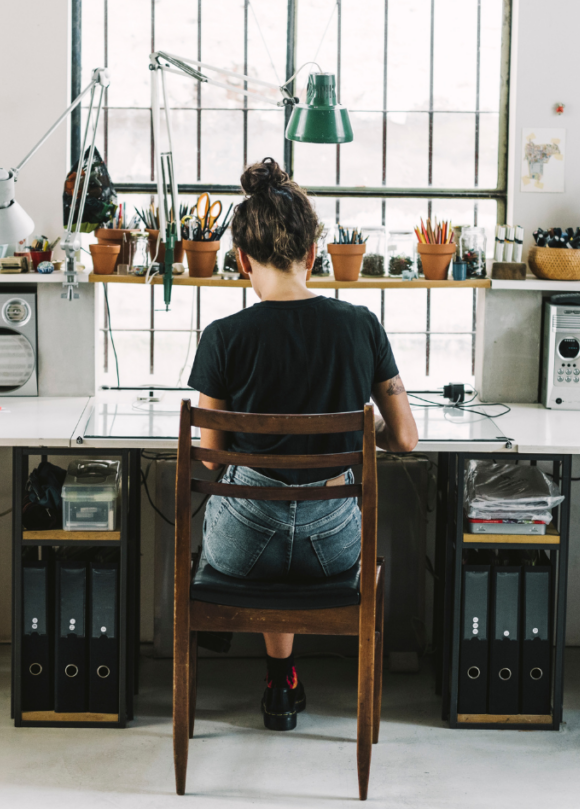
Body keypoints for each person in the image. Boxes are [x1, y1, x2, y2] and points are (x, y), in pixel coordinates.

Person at [187, 157, 419, 732]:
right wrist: (364, 437)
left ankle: (277, 675)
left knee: (249, 505)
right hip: (333, 550)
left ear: (242, 260)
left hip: (243, 550)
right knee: (313, 505)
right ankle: (287, 678)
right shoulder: (361, 324)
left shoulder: (223, 337)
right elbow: (407, 439)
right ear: (313, 253)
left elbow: (213, 456)